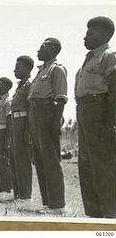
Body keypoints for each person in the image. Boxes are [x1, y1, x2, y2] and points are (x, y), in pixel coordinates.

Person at [75, 16, 116, 218]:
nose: (85, 37)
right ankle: (94, 214)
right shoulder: (89, 59)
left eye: (90, 33)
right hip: (84, 110)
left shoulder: (109, 56)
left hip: (99, 111)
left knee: (102, 164)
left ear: (105, 34)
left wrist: (110, 122)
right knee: (86, 164)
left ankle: (110, 213)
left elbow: (115, 90)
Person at [28, 38, 67, 215]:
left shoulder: (56, 69)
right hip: (35, 113)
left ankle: (57, 205)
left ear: (53, 49)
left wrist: (55, 122)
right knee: (40, 159)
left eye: (42, 47)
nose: (38, 50)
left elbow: (60, 99)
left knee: (51, 160)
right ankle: (48, 202)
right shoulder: (40, 71)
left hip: (48, 113)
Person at [10, 56, 34, 206]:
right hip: (15, 121)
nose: (15, 70)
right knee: (15, 159)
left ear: (27, 69)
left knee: (23, 160)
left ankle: (26, 196)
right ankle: (18, 193)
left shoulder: (29, 85)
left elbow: (31, 108)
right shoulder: (20, 86)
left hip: (23, 121)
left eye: (18, 67)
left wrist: (27, 129)